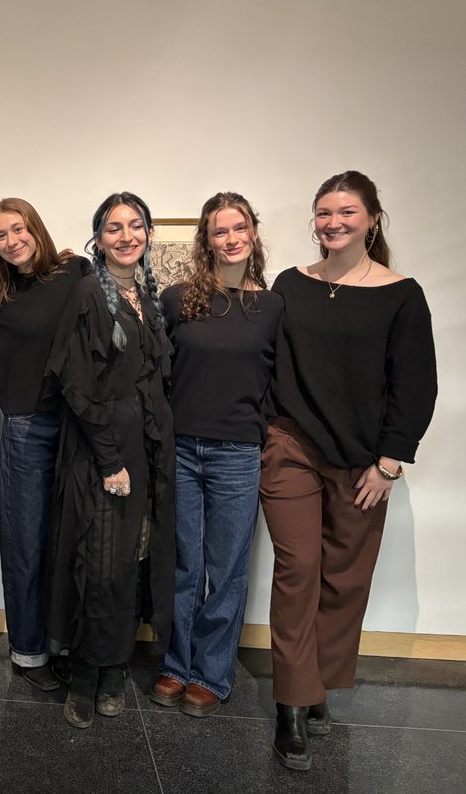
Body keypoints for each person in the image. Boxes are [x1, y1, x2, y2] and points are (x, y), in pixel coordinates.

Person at [261, 171, 437, 771]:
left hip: (365, 460)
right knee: (299, 568)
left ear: (373, 219)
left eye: (346, 213)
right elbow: (264, 356)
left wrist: (390, 463)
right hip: (290, 446)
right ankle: (291, 702)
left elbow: (416, 384)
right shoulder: (290, 283)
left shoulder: (400, 293)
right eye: (323, 213)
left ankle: (319, 686)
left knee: (344, 578)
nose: (333, 223)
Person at [45, 192, 176, 729]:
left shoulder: (150, 294)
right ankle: (85, 674)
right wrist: (108, 460)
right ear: (97, 237)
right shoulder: (86, 295)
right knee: (95, 564)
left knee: (130, 561)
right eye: (114, 227)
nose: (127, 236)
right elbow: (77, 385)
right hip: (102, 452)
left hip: (144, 452)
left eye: (136, 226)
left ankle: (115, 667)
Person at [150, 193, 283, 717]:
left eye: (239, 227)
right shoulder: (180, 298)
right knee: (183, 564)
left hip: (237, 454)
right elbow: (159, 374)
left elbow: (279, 381)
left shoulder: (271, 306)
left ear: (253, 232)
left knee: (226, 569)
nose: (230, 239)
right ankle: (176, 665)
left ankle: (211, 673)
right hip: (181, 449)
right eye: (219, 231)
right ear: (206, 240)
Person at [0, 198, 91, 690]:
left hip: (76, 425)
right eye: (1, 236)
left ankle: (65, 644)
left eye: (18, 229)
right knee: (25, 543)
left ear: (35, 229)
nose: (12, 240)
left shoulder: (75, 272)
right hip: (25, 428)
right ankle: (28, 653)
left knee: (70, 542)